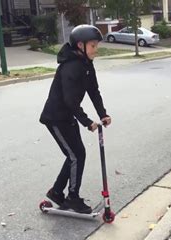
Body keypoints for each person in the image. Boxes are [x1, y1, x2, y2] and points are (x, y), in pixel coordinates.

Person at [39, 25, 111, 214]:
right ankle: (72, 198)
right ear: (81, 45)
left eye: (97, 46)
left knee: (76, 155)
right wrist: (87, 122)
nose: (96, 50)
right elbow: (70, 100)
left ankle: (56, 192)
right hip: (56, 117)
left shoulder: (86, 64)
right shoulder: (71, 67)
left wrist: (103, 113)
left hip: (67, 116)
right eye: (93, 46)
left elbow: (93, 91)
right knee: (76, 155)